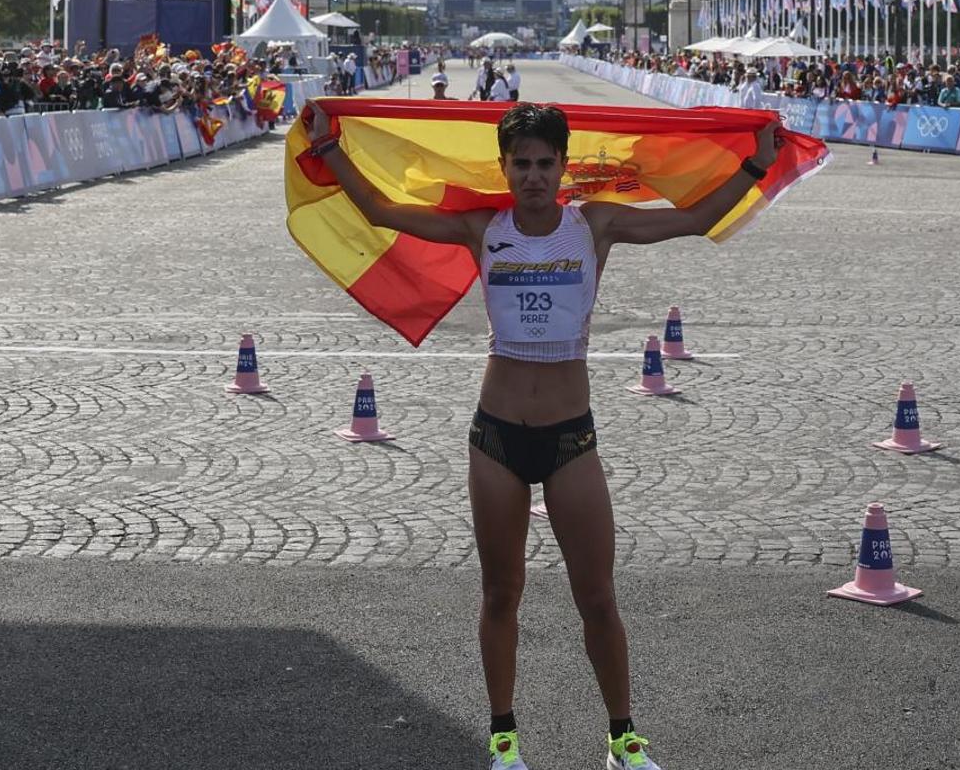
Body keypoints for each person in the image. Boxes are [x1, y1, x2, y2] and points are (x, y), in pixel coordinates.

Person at [304, 100, 783, 770]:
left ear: (564, 166)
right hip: (495, 436)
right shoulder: (482, 226)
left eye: (543, 163)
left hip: (570, 440)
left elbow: (698, 219)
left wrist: (757, 164)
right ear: (503, 167)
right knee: (501, 594)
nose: (532, 175)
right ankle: (504, 739)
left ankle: (622, 739)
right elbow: (384, 212)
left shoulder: (596, 225)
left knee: (598, 597)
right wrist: (328, 151)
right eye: (520, 164)